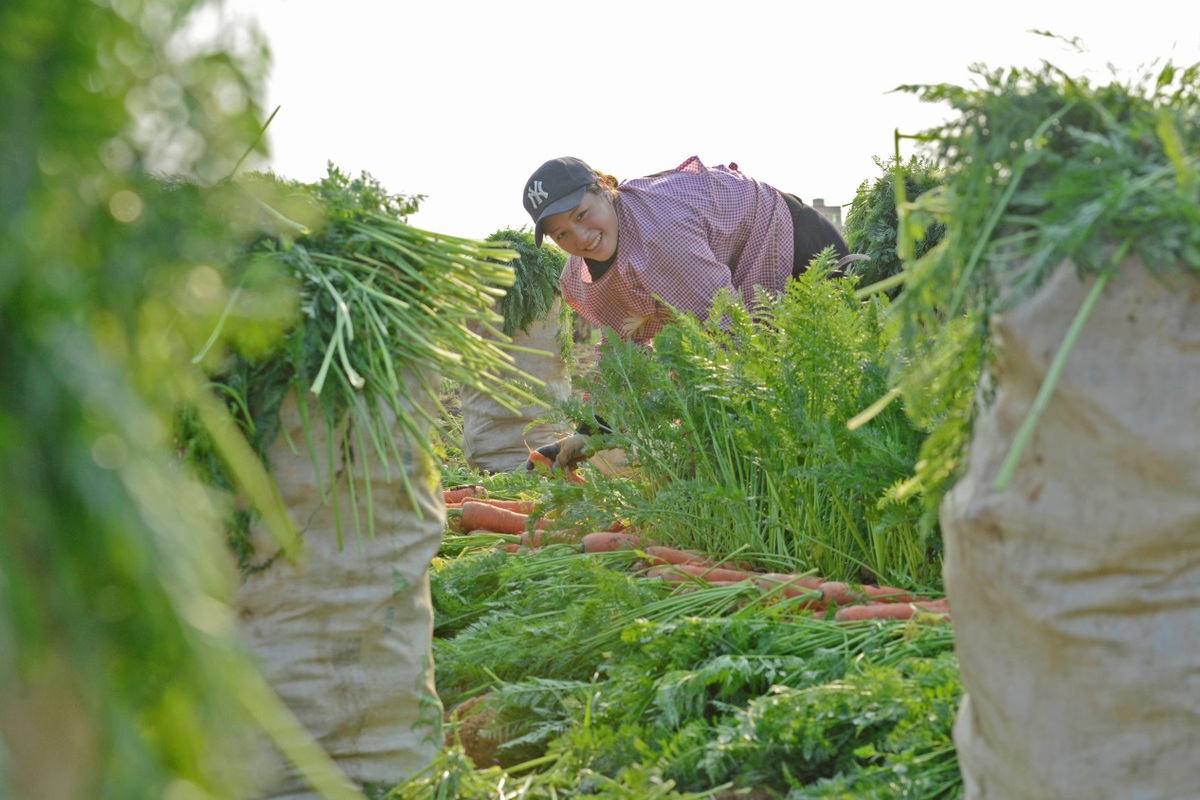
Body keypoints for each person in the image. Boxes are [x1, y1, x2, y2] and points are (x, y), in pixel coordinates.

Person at [521, 154, 853, 471]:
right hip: (734, 285)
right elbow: (622, 352)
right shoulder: (581, 275)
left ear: (603, 189)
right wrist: (590, 431)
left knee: (825, 391)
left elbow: (726, 334)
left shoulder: (661, 236)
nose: (579, 238)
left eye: (581, 215)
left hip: (796, 248)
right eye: (561, 233)